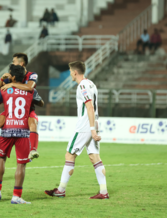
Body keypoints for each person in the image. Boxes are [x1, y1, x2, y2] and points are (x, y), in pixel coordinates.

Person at [44, 61, 108, 200]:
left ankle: (61, 190)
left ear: (75, 72)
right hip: (93, 123)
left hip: (85, 126)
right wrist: (94, 128)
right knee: (94, 157)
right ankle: (103, 192)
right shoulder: (91, 83)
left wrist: (91, 129)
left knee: (70, 155)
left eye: (70, 71)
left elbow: (89, 106)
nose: (70, 74)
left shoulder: (83, 86)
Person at [0, 65, 44, 204]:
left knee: (1, 159)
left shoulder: (5, 89)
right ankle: (16, 196)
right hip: (23, 131)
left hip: (7, 130)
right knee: (21, 165)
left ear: (13, 77)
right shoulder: (30, 90)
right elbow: (40, 102)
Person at [0, 53, 44, 161]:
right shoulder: (11, 74)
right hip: (11, 109)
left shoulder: (32, 75)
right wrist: (2, 79)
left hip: (27, 109)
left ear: (21, 63)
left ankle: (33, 149)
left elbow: (29, 87)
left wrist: (12, 84)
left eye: (14, 61)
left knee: (33, 123)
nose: (12, 63)